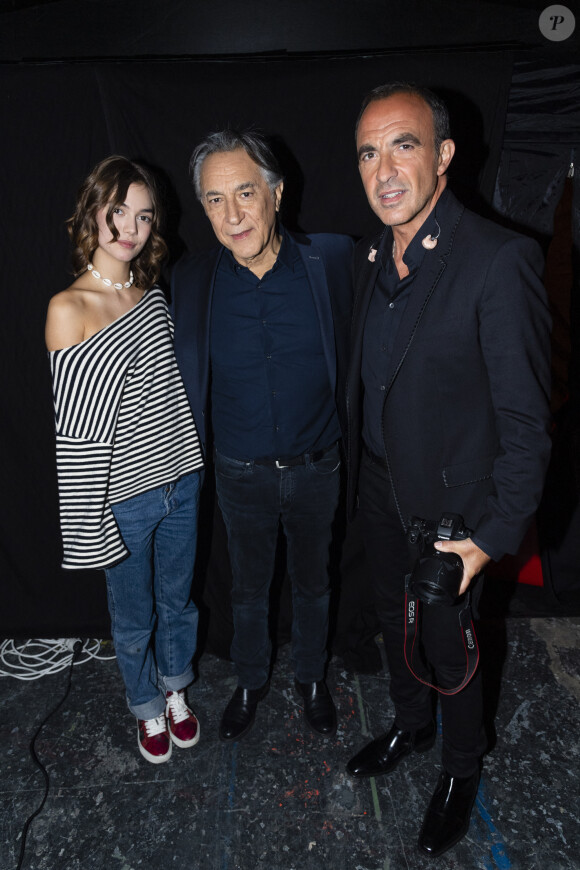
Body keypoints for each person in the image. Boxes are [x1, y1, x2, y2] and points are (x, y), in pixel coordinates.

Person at [345, 84, 552, 856]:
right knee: (397, 623)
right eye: (369, 151)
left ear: (444, 156)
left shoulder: (498, 261)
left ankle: (463, 767)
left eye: (404, 144)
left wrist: (487, 541)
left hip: (453, 516)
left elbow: (531, 429)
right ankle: (409, 727)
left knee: (452, 649)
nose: (385, 168)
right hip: (377, 487)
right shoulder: (371, 255)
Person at [171, 130, 353, 742]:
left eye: (245, 192)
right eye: (215, 201)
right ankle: (250, 680)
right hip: (238, 471)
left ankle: (310, 678)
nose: (232, 214)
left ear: (276, 193)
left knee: (313, 582)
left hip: (318, 465)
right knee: (247, 590)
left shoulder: (334, 262)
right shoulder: (191, 281)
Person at [45, 156, 204, 764]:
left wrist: (191, 467)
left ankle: (176, 691)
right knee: (134, 618)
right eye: (118, 212)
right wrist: (93, 523)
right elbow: (77, 435)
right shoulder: (69, 307)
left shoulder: (152, 294)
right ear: (93, 211)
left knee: (179, 603)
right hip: (124, 499)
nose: (130, 228)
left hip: (181, 482)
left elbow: (170, 393)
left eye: (143, 216)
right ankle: (145, 708)